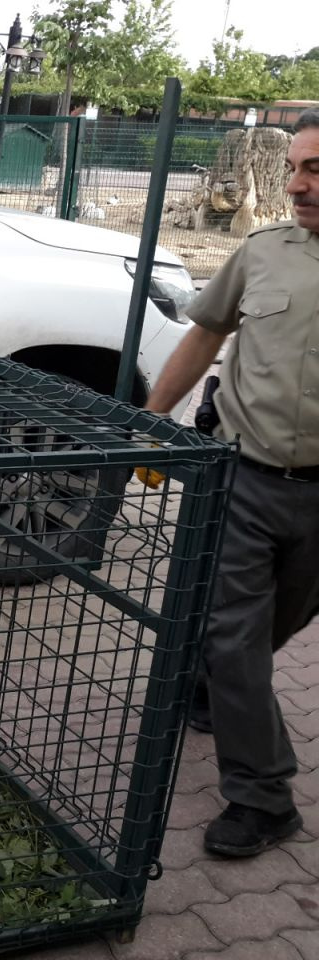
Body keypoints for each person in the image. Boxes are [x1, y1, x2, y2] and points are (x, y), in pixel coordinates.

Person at [142, 108, 319, 859]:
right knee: (233, 631)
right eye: (295, 167)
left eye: (315, 170)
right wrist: (153, 419)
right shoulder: (264, 253)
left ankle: (217, 692)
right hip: (243, 476)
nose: (298, 184)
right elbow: (205, 335)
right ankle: (263, 795)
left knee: (278, 624)